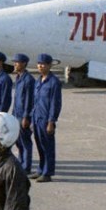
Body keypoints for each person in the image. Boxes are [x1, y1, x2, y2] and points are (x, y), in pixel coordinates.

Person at [31, 53, 62, 182]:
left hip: (46, 119)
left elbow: (55, 103)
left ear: (49, 65)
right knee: (40, 145)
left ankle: (47, 172)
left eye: (43, 64)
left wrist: (51, 121)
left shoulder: (54, 82)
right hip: (37, 117)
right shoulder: (38, 81)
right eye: (39, 64)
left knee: (47, 147)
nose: (40, 66)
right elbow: (35, 101)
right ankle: (41, 169)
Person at [10, 53, 35, 175]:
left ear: (24, 64)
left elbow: (29, 100)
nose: (15, 64)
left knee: (25, 142)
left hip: (23, 116)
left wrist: (26, 116)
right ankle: (21, 162)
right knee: (19, 141)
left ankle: (26, 166)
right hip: (17, 114)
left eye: (17, 62)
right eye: (14, 62)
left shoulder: (29, 80)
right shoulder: (19, 78)